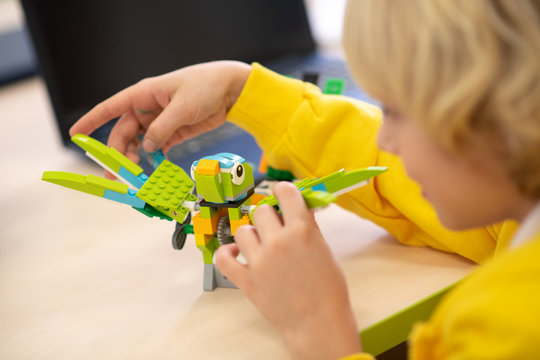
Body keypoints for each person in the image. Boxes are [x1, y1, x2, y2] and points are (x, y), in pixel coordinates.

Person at [69, 0, 540, 358]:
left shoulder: (501, 330)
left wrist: (321, 332)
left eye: (395, 111)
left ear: (501, 119)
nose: (387, 137)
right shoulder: (514, 203)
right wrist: (245, 92)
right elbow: (392, 173)